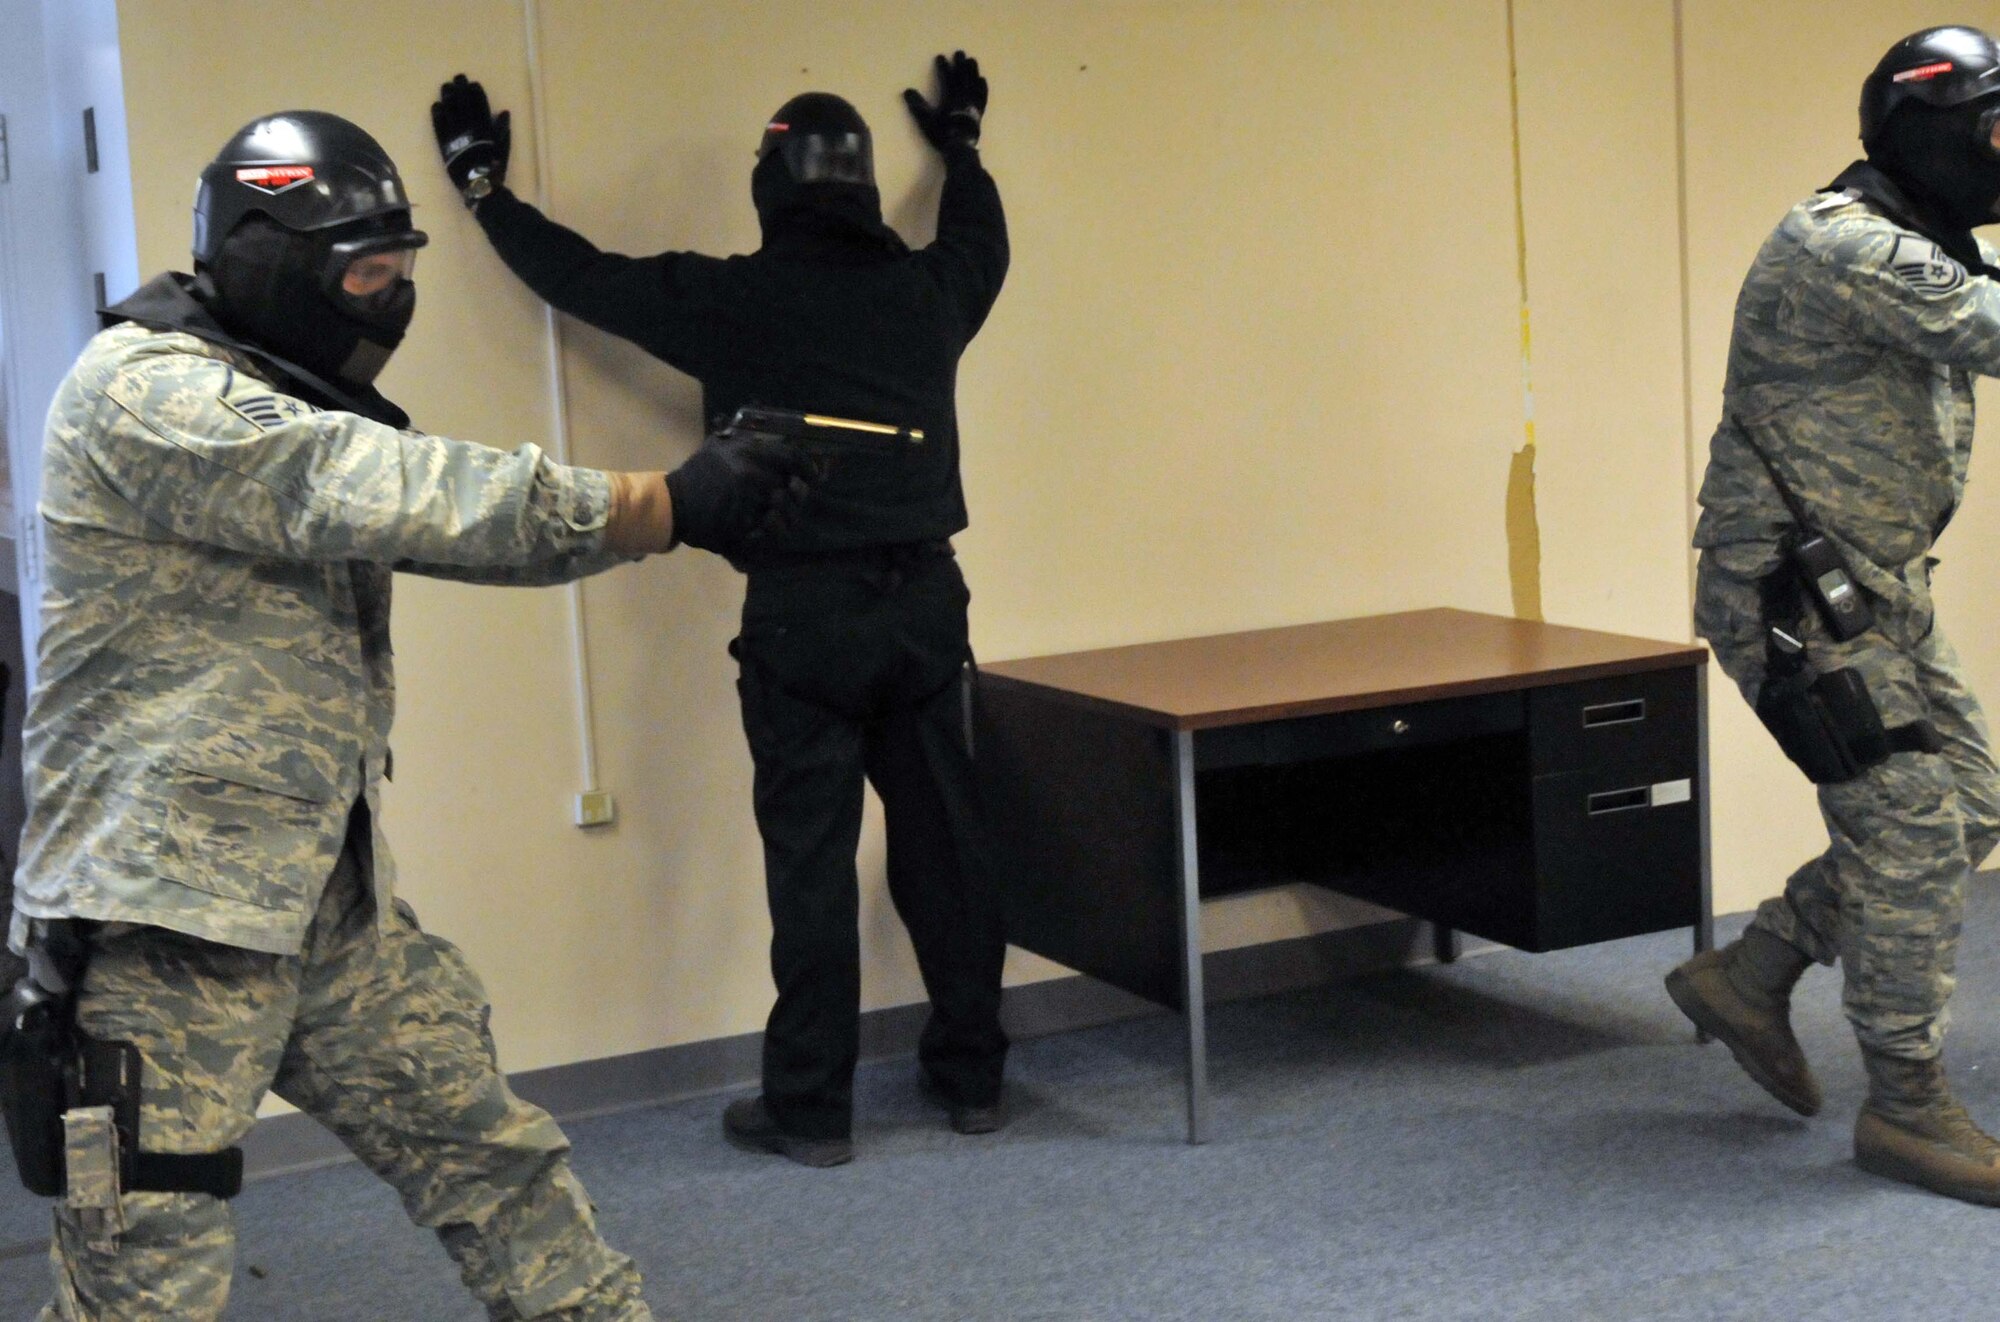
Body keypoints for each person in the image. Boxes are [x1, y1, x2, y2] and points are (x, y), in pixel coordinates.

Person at [3, 109, 804, 1320]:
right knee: (141, 1274)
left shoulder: (277, 387)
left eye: (400, 274)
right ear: (273, 254)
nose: (388, 303)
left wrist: (680, 511)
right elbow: (366, 489)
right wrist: (655, 501)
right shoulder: (146, 392)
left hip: (323, 899)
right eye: (365, 274)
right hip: (163, 925)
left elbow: (426, 523)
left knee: (494, 1156)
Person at [430, 52, 1010, 1167]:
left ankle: (810, 1109)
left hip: (803, 617)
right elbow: (982, 241)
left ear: (773, 184)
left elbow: (580, 275)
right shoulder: (927, 295)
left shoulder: (727, 298)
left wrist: (481, 188)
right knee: (948, 847)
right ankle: (973, 1077)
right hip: (927, 606)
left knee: (809, 865)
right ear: (857, 185)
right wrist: (965, 143)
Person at [1668, 25, 2000, 1204]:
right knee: (1912, 829)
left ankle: (1750, 974)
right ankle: (1905, 1107)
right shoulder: (1843, 246)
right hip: (1796, 601)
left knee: (1968, 808)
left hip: (1872, 588)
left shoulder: (1920, 238)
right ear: (1933, 132)